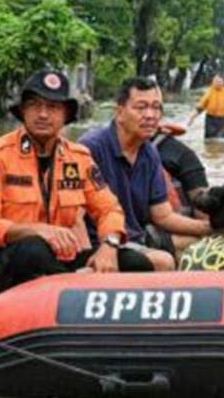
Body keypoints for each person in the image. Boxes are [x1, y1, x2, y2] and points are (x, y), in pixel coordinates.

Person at [0, 69, 151, 301]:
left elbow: (109, 209)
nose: (43, 114)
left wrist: (110, 245)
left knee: (135, 261)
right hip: (2, 266)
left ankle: (77, 291)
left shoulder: (79, 158)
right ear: (23, 111)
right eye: (35, 105)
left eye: (53, 107)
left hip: (59, 261)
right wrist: (38, 230)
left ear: (66, 115)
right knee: (33, 248)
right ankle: (77, 286)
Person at [81, 77, 210, 268]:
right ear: (120, 112)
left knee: (202, 246)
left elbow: (162, 216)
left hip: (137, 237)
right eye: (141, 108)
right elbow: (74, 214)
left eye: (156, 108)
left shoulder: (149, 153)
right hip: (101, 242)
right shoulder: (91, 148)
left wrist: (211, 228)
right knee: (163, 261)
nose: (150, 115)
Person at [151, 121, 208, 216]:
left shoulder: (180, 154)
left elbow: (202, 206)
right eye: (140, 110)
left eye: (155, 111)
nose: (149, 115)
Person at [186, 74, 224, 139]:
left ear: (223, 83)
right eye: (216, 81)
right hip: (211, 120)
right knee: (210, 140)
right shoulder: (208, 94)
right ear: (213, 82)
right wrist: (191, 119)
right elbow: (199, 109)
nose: (218, 83)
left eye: (220, 81)